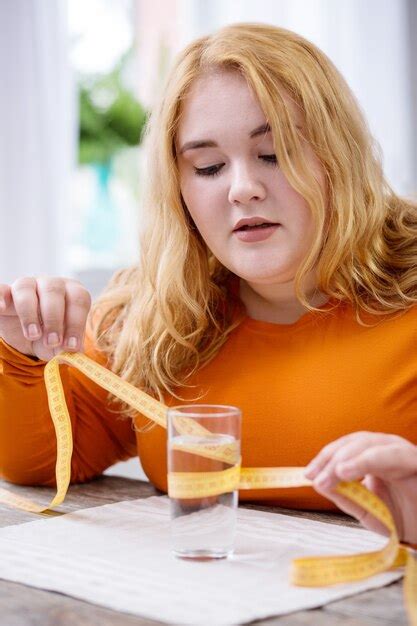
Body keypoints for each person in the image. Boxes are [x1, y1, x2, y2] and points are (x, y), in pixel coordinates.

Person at [0, 23, 416, 545]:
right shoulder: (151, 316)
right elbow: (42, 464)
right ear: (180, 191)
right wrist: (23, 355)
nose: (243, 189)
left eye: (275, 153)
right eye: (209, 166)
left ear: (340, 156)